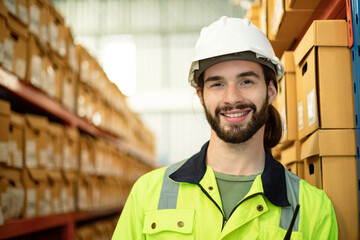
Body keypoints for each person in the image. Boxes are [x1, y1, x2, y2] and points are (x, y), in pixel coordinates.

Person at [112, 16, 338, 239]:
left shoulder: (313, 209)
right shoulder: (148, 194)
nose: (232, 98)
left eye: (246, 81)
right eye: (217, 84)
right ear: (201, 95)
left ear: (271, 90)